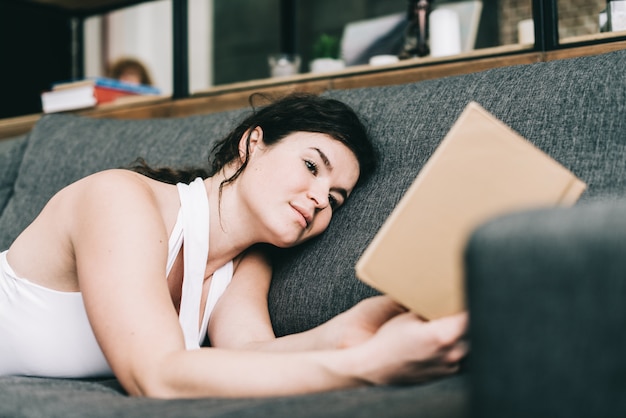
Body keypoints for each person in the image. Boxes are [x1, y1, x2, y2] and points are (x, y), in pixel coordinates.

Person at [0, 93, 467, 398]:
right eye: (311, 166)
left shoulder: (246, 264)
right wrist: (366, 366)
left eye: (336, 198)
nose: (321, 198)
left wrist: (353, 329)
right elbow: (156, 376)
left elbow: (252, 355)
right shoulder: (120, 199)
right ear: (253, 143)